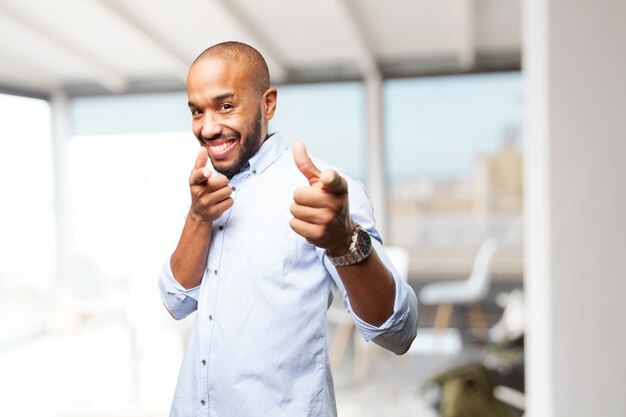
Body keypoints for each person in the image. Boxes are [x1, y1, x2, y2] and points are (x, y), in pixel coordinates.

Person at [159, 41, 418, 417]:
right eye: (197, 111)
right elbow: (175, 301)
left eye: (225, 106)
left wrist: (344, 242)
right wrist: (198, 217)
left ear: (268, 104)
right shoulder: (208, 190)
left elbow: (399, 331)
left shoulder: (323, 192)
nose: (208, 127)